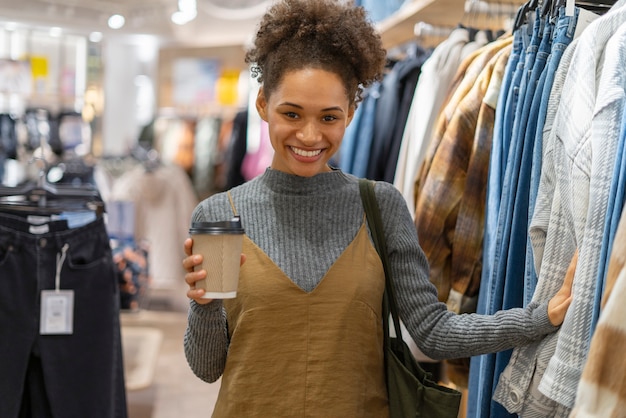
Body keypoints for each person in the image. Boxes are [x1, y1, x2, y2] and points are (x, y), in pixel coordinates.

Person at [181, 0, 573, 416]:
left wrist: (538, 318)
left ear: (351, 110)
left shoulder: (380, 205)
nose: (310, 135)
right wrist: (203, 306)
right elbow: (207, 368)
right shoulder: (219, 214)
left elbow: (433, 332)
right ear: (262, 104)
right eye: (291, 113)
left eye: (329, 117)